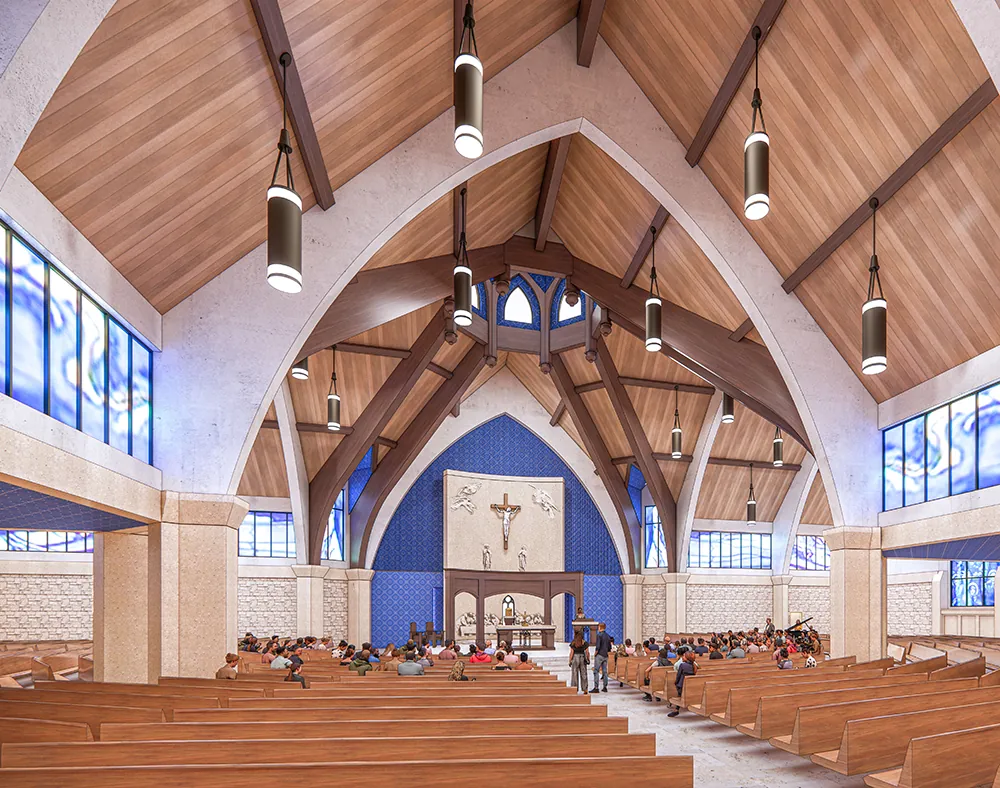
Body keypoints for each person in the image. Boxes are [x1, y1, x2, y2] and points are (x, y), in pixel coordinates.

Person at [668, 650, 698, 717]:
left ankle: (676, 710)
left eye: (684, 656)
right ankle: (676, 709)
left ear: (687, 658)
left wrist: (676, 682)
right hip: (690, 684)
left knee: (679, 694)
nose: (682, 657)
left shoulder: (682, 665)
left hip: (682, 684)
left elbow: (678, 675)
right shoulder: (694, 665)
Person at [590, 622, 612, 694]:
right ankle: (605, 687)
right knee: (605, 671)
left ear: (600, 627)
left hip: (599, 655)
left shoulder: (599, 635)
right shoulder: (608, 636)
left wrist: (595, 654)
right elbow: (609, 647)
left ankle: (596, 687)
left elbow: (598, 646)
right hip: (605, 655)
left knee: (596, 671)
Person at [568, 629, 589, 694]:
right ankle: (585, 689)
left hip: (575, 658)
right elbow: (587, 652)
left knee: (574, 674)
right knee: (583, 674)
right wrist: (588, 659)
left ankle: (574, 689)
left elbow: (571, 652)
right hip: (582, 657)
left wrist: (570, 660)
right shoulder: (584, 643)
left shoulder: (573, 642)